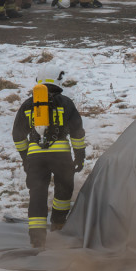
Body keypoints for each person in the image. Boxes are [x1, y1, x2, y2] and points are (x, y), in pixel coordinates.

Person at [12, 66, 87, 248]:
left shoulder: (28, 105)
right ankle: (58, 225)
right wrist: (79, 156)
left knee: (37, 195)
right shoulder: (66, 103)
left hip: (35, 157)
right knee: (64, 191)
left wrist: (25, 157)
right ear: (58, 80)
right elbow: (77, 132)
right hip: (61, 156)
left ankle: (37, 240)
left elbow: (17, 135)